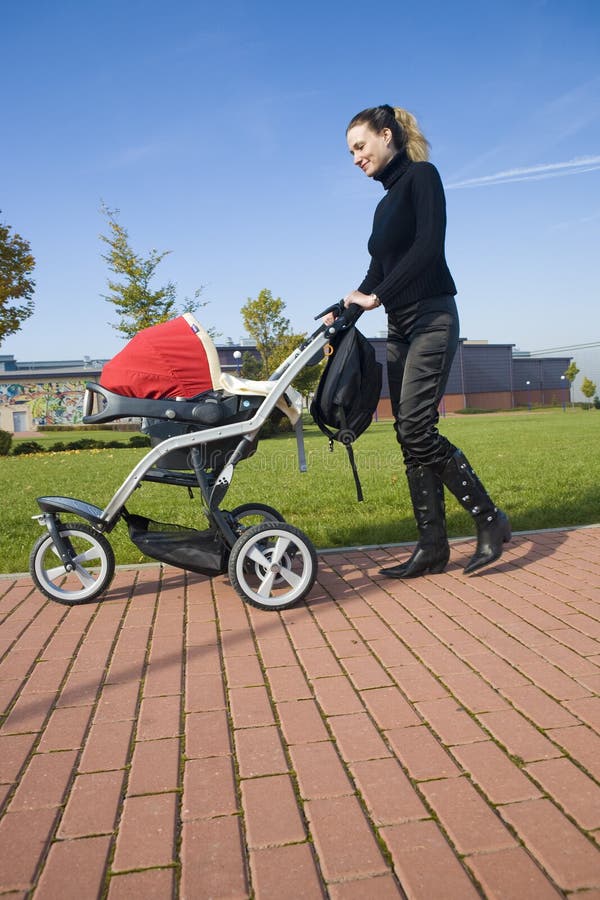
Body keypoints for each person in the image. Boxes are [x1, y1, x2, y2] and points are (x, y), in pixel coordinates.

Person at [337, 104, 510, 577]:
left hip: (433, 317)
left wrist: (377, 297)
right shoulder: (383, 205)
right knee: (407, 434)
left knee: (416, 427)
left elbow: (428, 247)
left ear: (386, 135)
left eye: (360, 146)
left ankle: (490, 520)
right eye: (350, 152)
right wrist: (346, 307)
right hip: (399, 325)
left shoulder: (423, 178)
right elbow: (379, 268)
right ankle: (432, 547)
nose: (355, 157)